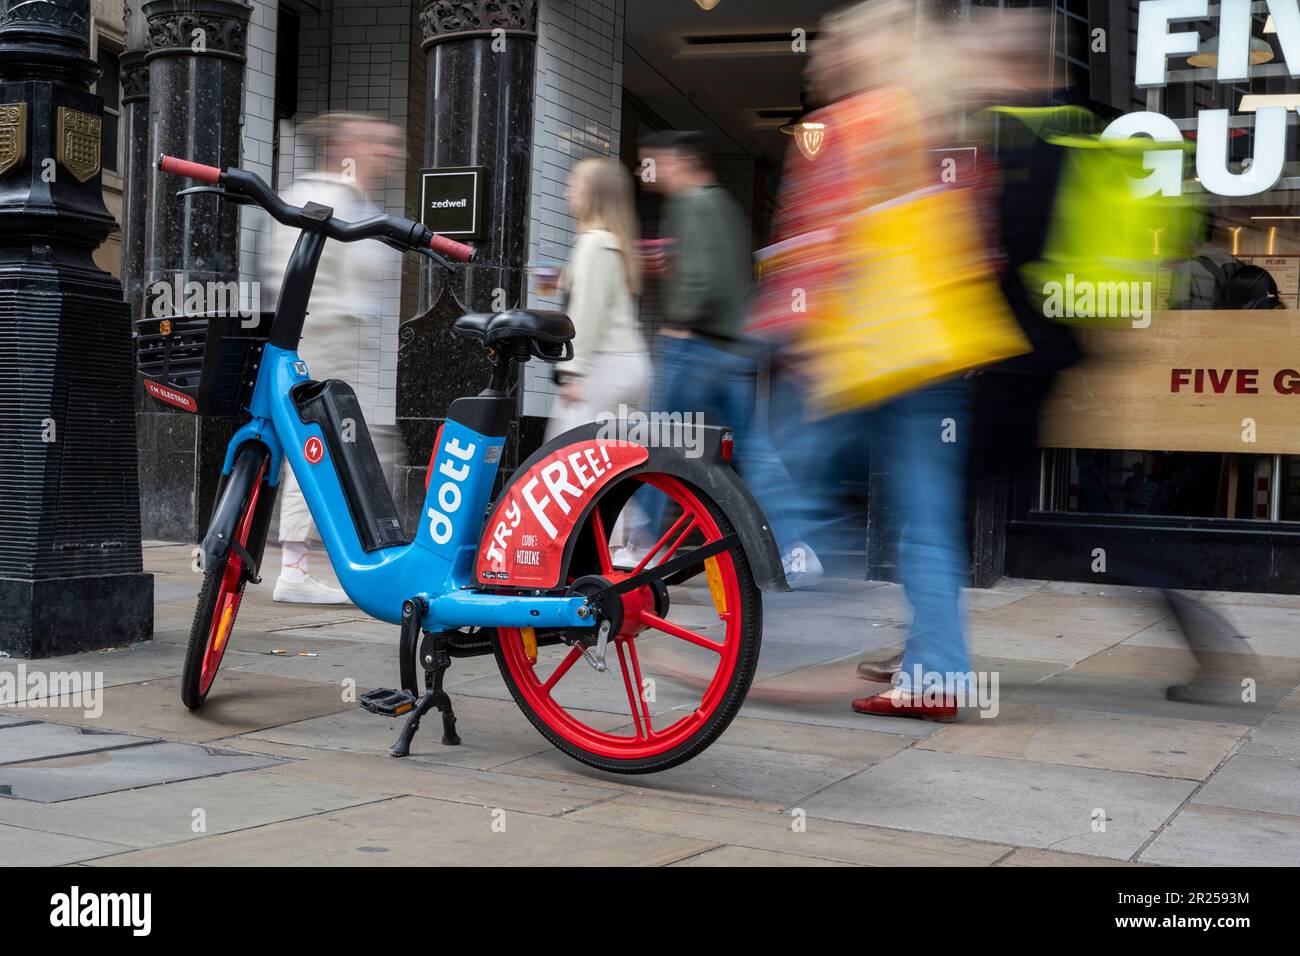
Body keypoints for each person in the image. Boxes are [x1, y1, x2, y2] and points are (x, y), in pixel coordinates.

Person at [636, 130, 819, 577]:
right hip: (733, 348)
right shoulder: (723, 206)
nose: (647, 171)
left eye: (651, 161)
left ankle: (642, 546)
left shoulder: (690, 203)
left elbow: (701, 280)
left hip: (694, 345)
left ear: (678, 160)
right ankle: (796, 548)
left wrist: (677, 320)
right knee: (754, 450)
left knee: (657, 441)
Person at [257, 112, 405, 604]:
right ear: (351, 144)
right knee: (317, 447)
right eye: (382, 144)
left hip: (329, 340)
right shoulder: (331, 197)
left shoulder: (342, 197)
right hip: (326, 341)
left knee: (338, 449)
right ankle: (297, 570)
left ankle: (327, 561)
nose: (391, 154)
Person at [546, 158, 650, 441]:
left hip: (602, 368)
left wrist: (571, 371)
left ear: (594, 194)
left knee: (567, 459)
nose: (567, 193)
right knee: (617, 464)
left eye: (574, 186)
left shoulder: (592, 242)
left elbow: (588, 313)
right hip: (632, 366)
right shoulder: (615, 242)